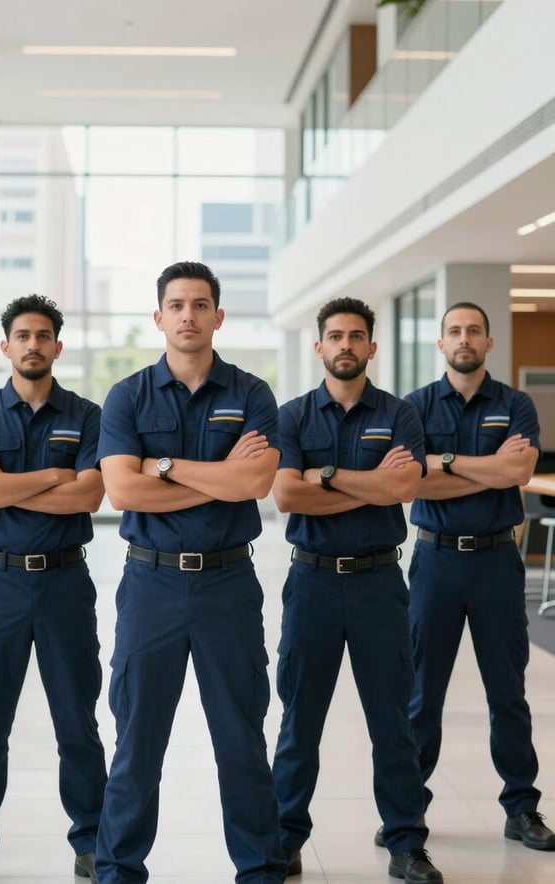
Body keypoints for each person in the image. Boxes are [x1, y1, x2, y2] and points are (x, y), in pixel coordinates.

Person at [95, 261, 286, 884]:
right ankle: (119, 870)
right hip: (150, 584)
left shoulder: (252, 394)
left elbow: (255, 482)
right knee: (137, 741)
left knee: (241, 739)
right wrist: (213, 477)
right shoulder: (127, 396)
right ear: (158, 317)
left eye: (200, 304)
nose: (187, 315)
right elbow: (123, 490)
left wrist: (166, 468)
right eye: (175, 305)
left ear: (218, 316)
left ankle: (259, 869)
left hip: (228, 586)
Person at [0, 295, 108, 884]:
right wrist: (53, 476)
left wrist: (12, 483)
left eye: (43, 335)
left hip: (64, 581)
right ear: (5, 346)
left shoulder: (87, 414)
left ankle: (92, 841)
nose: (33, 344)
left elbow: (89, 496)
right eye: (22, 335)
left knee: (76, 721)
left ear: (57, 346)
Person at [271, 297, 444, 883]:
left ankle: (405, 843)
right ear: (319, 346)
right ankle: (285, 837)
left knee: (393, 720)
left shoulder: (401, 415)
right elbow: (287, 496)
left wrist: (327, 476)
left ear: (372, 347)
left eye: (357, 336)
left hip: (378, 583)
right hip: (312, 581)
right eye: (336, 336)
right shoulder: (292, 416)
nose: (346, 345)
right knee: (300, 719)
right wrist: (369, 483)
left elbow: (405, 488)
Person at [398, 301, 555, 851]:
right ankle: (406, 813)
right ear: (440, 344)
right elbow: (412, 483)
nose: (464, 339)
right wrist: (482, 469)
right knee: (421, 696)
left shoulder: (515, 404)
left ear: (490, 342)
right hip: (435, 562)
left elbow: (518, 470)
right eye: (454, 331)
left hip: (495, 563)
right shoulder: (414, 409)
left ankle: (521, 808)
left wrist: (447, 462)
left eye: (474, 331)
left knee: (507, 692)